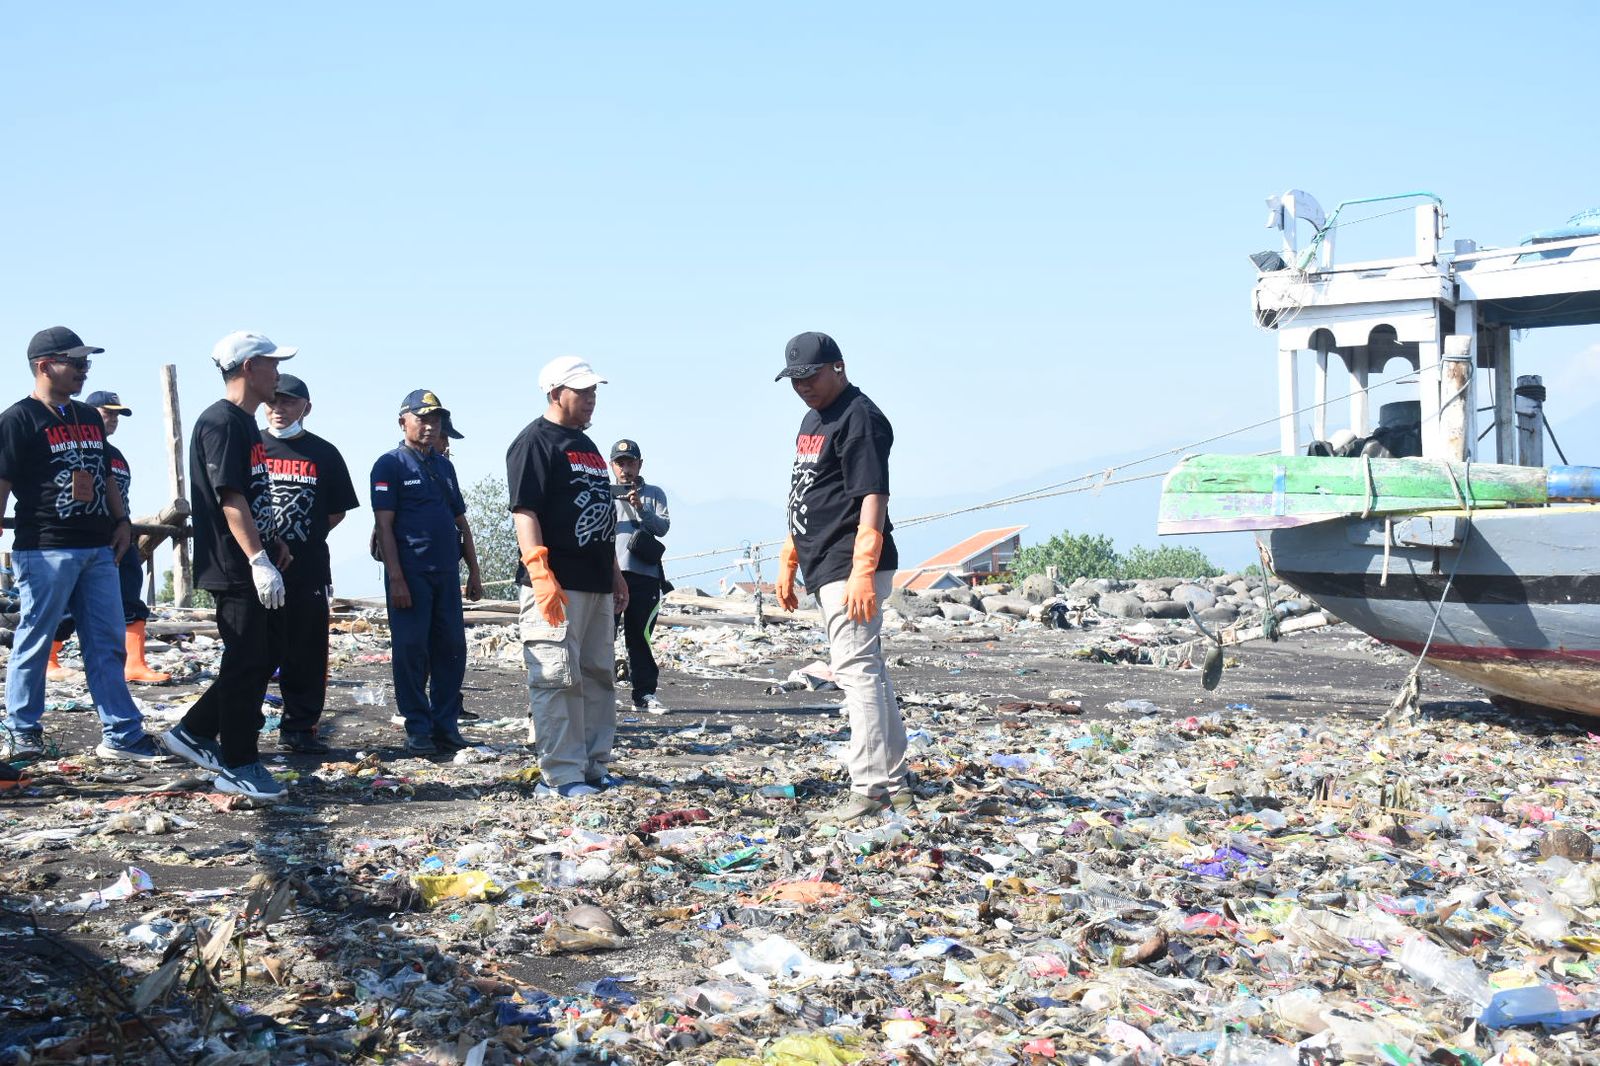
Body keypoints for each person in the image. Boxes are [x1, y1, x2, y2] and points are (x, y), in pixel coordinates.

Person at [0, 328, 165, 763]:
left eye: (85, 362)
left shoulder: (89, 417)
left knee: (107, 642)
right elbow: (2, 480)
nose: (83, 369)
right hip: (45, 549)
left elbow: (106, 474)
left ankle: (122, 733)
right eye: (74, 362)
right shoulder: (18, 419)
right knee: (36, 639)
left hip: (98, 547)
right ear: (44, 366)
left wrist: (122, 521)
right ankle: (22, 730)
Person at [772, 332, 913, 823]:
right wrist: (791, 553)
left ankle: (870, 787)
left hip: (849, 561)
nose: (803, 387)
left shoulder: (861, 417)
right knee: (867, 670)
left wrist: (862, 567)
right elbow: (810, 489)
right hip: (823, 559)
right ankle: (894, 783)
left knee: (855, 671)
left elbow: (873, 494)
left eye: (810, 376)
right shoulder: (813, 420)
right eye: (795, 380)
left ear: (838, 367)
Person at [158, 331, 296, 801]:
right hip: (234, 566)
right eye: (272, 364)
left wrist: (272, 542)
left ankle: (195, 731)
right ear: (249, 367)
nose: (278, 373)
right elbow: (230, 496)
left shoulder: (246, 424)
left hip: (255, 558)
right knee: (246, 661)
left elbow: (253, 493)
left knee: (265, 655)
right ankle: (238, 763)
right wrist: (257, 559)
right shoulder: (220, 422)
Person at [507, 356, 629, 799]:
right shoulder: (534, 442)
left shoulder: (588, 447)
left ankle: (594, 766)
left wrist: (614, 573)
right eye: (583, 391)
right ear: (556, 393)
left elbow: (600, 514)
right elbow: (525, 511)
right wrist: (540, 572)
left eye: (594, 391)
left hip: (595, 581)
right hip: (556, 586)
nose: (592, 398)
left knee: (598, 676)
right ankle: (560, 776)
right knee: (558, 678)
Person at [371, 390, 483, 755]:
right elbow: (384, 526)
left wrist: (474, 571)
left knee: (451, 650)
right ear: (402, 422)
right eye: (422, 418)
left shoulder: (444, 467)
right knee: (411, 651)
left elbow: (459, 521)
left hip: (446, 574)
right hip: (411, 574)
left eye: (435, 420)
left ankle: (445, 726)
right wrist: (396, 578)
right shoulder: (390, 465)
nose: (430, 426)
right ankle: (417, 727)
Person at [262, 374, 360, 754]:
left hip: (308, 568)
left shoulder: (323, 453)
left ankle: (300, 728)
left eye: (288, 402)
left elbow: (337, 511)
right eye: (273, 401)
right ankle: (242, 728)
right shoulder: (252, 446)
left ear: (307, 407)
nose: (278, 409)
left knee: (306, 650)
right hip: (259, 568)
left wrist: (303, 536)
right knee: (255, 650)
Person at [82, 390, 170, 684]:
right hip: (88, 537)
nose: (114, 419)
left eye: (117, 414)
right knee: (71, 601)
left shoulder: (117, 455)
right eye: (108, 412)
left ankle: (134, 663)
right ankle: (50, 660)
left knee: (131, 595)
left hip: (122, 535)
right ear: (90, 413)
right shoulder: (80, 449)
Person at [608, 438, 671, 714]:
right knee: (602, 637)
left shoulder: (654, 494)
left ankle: (644, 693)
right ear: (612, 466)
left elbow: (662, 528)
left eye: (630, 463)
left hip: (644, 576)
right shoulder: (603, 494)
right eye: (620, 463)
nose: (625, 469)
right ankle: (601, 693)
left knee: (640, 638)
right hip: (610, 576)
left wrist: (640, 508)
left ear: (640, 464)